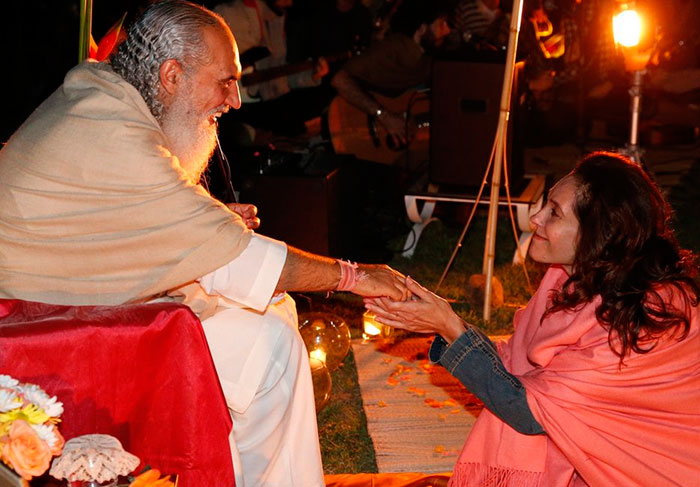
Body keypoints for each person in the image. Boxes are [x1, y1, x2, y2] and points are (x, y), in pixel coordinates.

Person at [0, 2, 411, 486]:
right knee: (269, 341)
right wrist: (356, 277)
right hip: (41, 329)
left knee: (266, 313)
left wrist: (202, 224)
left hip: (60, 305)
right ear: (171, 75)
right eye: (225, 81)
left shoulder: (103, 97)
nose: (235, 101)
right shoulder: (117, 131)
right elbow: (245, 262)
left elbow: (134, 213)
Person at [365, 152, 700, 486]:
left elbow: (526, 411)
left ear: (599, 234)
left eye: (554, 213)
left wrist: (449, 326)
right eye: (545, 205)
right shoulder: (569, 278)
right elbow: (514, 364)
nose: (536, 218)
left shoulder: (643, 323)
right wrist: (442, 322)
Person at [331, 0, 451, 147]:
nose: (447, 31)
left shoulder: (426, 62)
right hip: (343, 120)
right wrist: (385, 117)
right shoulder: (395, 48)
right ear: (422, 29)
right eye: (441, 24)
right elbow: (339, 79)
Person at [213, 0, 330, 138]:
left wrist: (312, 76)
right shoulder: (234, 10)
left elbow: (281, 76)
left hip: (255, 102)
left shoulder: (278, 20)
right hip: (223, 97)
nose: (289, 3)